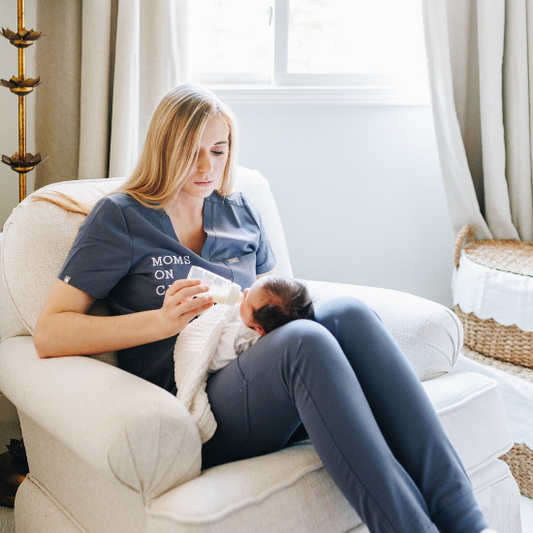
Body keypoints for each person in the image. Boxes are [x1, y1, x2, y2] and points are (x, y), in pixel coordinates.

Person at [34, 83, 497, 533]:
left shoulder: (238, 211)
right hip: (198, 400)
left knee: (350, 314)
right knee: (306, 342)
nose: (205, 167)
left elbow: (275, 297)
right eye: (190, 151)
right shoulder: (120, 217)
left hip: (257, 371)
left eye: (218, 150)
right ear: (162, 147)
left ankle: (467, 524)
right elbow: (50, 332)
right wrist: (159, 321)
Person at [207, 275, 314, 373]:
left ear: (259, 329)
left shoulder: (242, 338)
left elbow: (209, 356)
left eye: (247, 300)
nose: (245, 291)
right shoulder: (250, 320)